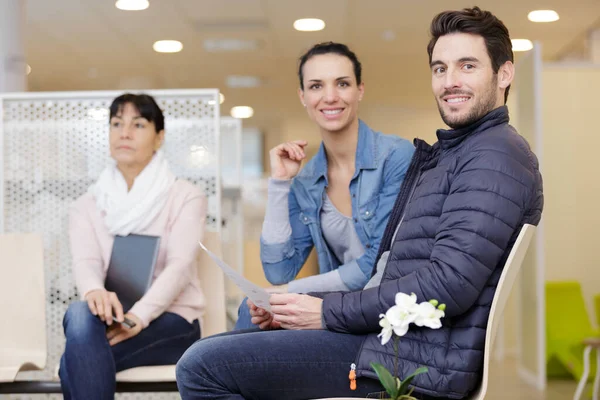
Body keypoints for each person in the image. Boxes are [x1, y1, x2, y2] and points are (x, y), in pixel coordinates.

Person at [176, 6, 544, 400]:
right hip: (391, 340)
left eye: (467, 66)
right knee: (252, 321)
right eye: (440, 69)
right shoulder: (455, 154)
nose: (449, 81)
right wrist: (305, 302)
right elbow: (384, 269)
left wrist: (321, 311)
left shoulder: (493, 156)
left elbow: (447, 284)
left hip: (404, 357)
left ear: (504, 73)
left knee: (200, 366)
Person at [235, 42, 414, 330]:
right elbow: (278, 269)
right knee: (252, 315)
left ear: (360, 90)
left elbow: (377, 264)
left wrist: (287, 294)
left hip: (382, 317)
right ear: (303, 96)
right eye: (316, 86)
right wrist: (280, 183)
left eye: (342, 84)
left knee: (248, 323)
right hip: (333, 315)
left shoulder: (396, 156)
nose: (330, 97)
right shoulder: (307, 180)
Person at [59, 93, 206, 400]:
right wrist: (94, 293)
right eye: (116, 123)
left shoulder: (185, 196)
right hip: (111, 318)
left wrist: (137, 316)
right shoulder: (86, 205)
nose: (124, 133)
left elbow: (178, 266)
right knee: (79, 312)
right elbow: (86, 262)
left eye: (138, 124)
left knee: (73, 362)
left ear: (159, 136)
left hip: (171, 321)